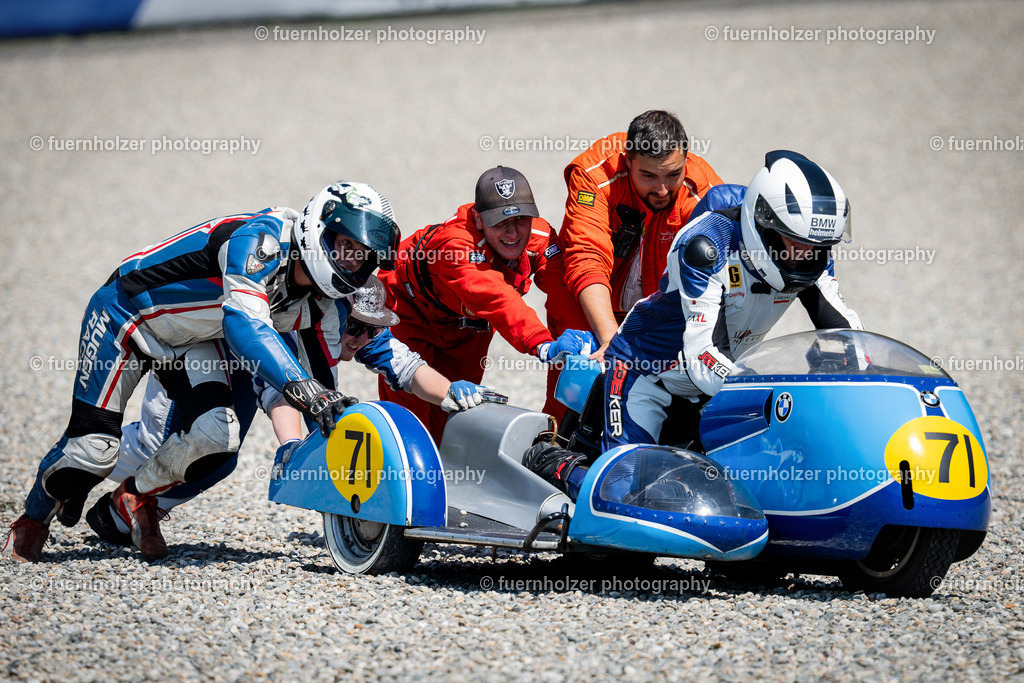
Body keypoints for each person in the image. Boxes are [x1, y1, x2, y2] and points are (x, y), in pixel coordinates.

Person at [2, 181, 400, 563]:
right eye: (346, 245)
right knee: (91, 450)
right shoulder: (262, 239)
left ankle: (135, 496)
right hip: (125, 316)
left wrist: (362, 491)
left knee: (218, 437)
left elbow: (324, 402)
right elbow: (246, 328)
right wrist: (304, 390)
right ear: (319, 226)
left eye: (363, 255)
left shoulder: (326, 306)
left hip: (193, 339)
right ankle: (32, 519)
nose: (353, 261)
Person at [527, 151, 862, 499]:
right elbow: (700, 356)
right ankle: (550, 463)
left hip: (714, 387)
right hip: (646, 373)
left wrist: (861, 378)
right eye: (794, 241)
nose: (804, 255)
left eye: (816, 246)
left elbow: (845, 330)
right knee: (624, 498)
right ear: (764, 222)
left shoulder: (813, 255)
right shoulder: (707, 246)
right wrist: (765, 393)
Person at [83, 276, 490, 550]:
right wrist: (292, 446)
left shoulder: (356, 328)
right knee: (181, 446)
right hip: (207, 353)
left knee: (216, 459)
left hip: (246, 366)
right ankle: (84, 460)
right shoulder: (299, 325)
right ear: (335, 313)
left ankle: (122, 513)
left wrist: (452, 392)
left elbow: (408, 368)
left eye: (371, 328)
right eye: (357, 328)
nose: (363, 337)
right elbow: (279, 391)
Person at [378, 166, 594, 442]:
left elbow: (564, 293)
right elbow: (496, 298)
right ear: (479, 220)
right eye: (499, 223)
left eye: (521, 219)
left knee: (458, 412)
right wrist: (543, 344)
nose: (513, 233)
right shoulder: (456, 245)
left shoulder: (540, 236)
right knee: (409, 420)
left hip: (469, 328)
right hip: (408, 313)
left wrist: (586, 343)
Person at [551, 110, 724, 356]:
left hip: (657, 312)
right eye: (648, 176)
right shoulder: (594, 175)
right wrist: (611, 342)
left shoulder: (702, 188)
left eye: (673, 175)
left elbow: (728, 269)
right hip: (587, 301)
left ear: (686, 161)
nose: (662, 190)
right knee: (578, 382)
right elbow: (586, 257)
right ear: (628, 160)